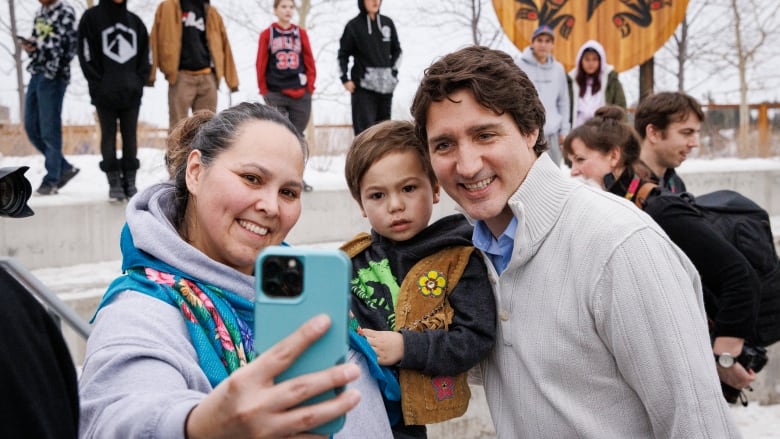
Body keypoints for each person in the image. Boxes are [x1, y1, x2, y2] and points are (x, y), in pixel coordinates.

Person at [410, 46, 739, 437]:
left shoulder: (621, 245)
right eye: (444, 145)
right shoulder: (469, 256)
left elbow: (698, 425)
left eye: (485, 134)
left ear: (531, 130)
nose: (466, 165)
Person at [78, 102, 393, 438]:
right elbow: (119, 413)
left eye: (288, 192)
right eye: (251, 178)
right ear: (196, 172)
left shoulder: (299, 287)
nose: (271, 206)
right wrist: (198, 426)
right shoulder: (141, 309)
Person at [564, 105, 760, 403]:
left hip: (684, 372)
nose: (573, 171)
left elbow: (740, 276)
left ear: (613, 156)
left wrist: (724, 360)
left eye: (580, 159)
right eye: (570, 162)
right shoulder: (611, 208)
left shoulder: (662, 208)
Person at [341, 120, 496, 438]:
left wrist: (405, 347)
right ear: (361, 204)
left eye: (408, 188)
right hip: (345, 407)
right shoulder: (349, 260)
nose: (395, 205)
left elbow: (475, 338)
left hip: (404, 419)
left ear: (435, 188)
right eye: (377, 195)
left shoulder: (458, 259)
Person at [77, 0, 151, 201]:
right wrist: (98, 84)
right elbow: (85, 54)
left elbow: (146, 57)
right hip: (104, 93)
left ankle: (130, 181)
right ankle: (114, 182)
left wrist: (138, 82)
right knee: (108, 137)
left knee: (130, 137)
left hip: (131, 94)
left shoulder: (135, 22)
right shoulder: (91, 18)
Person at [148, 0, 239, 131]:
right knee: (177, 128)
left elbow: (225, 46)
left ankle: (202, 152)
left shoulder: (212, 12)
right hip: (180, 77)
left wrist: (232, 81)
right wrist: (150, 75)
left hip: (208, 77)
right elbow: (154, 41)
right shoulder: (167, 7)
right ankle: (176, 153)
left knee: (208, 128)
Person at [256, 0, 316, 192]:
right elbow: (261, 62)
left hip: (300, 93)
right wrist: (264, 89)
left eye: (291, 7)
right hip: (276, 93)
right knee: (281, 136)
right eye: (284, 7)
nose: (288, 11)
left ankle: (297, 178)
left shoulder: (300, 34)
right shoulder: (268, 34)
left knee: (297, 137)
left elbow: (309, 61)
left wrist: (310, 87)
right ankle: (277, 179)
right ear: (275, 10)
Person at [21, 0, 79, 196]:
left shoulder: (65, 12)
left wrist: (52, 67)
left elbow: (70, 47)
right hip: (36, 73)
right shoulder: (40, 13)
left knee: (49, 129)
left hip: (53, 77)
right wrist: (31, 47)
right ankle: (63, 167)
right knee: (31, 126)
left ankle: (52, 178)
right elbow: (40, 42)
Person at [338, 0, 402, 135]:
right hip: (363, 89)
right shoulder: (353, 26)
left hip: (386, 88)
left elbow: (397, 51)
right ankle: (363, 157)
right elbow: (342, 54)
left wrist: (393, 73)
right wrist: (345, 79)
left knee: (384, 133)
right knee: (365, 134)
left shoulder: (387, 23)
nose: (375, 1)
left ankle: (383, 157)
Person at [515, 25, 569, 166]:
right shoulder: (519, 65)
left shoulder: (558, 69)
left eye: (547, 41)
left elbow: (563, 101)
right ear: (533, 42)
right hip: (529, 132)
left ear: (552, 45)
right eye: (540, 40)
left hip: (553, 134)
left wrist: (564, 130)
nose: (543, 44)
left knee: (555, 177)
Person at [634, 91, 704, 193]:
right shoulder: (621, 187)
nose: (695, 143)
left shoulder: (675, 184)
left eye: (696, 133)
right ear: (653, 133)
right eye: (687, 132)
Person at [568, 39, 626, 129]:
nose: (591, 63)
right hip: (578, 130)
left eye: (594, 59)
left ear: (601, 61)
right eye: (587, 59)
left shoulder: (611, 81)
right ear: (581, 61)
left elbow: (621, 108)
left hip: (603, 131)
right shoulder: (572, 82)